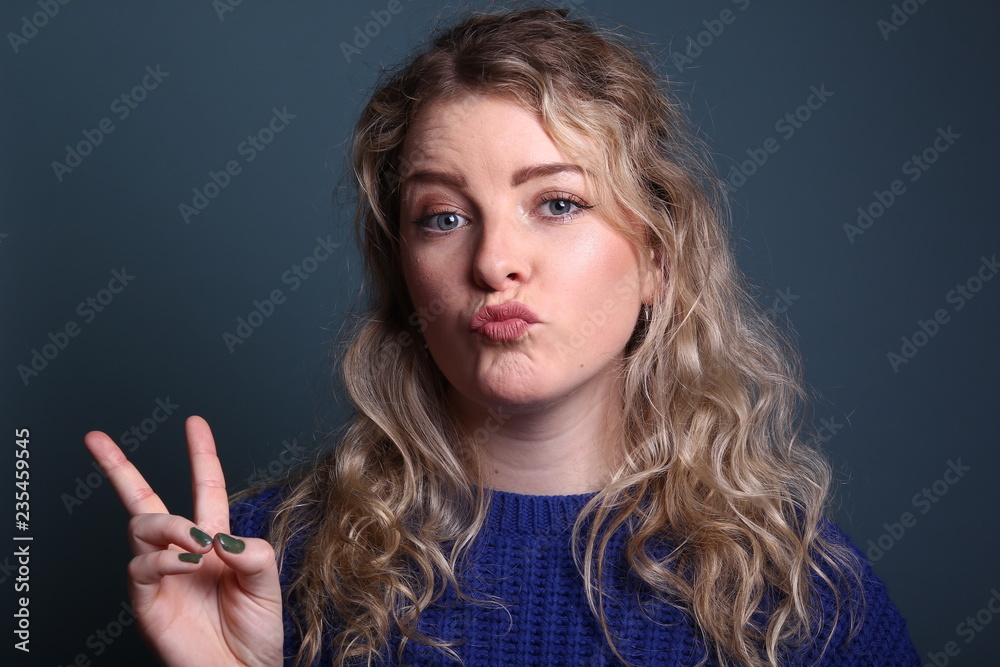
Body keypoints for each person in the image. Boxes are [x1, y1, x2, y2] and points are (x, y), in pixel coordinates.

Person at [84, 6, 921, 666]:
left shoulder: (799, 592)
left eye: (556, 203)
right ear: (404, 275)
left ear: (658, 259)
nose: (493, 261)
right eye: (443, 217)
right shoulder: (262, 566)